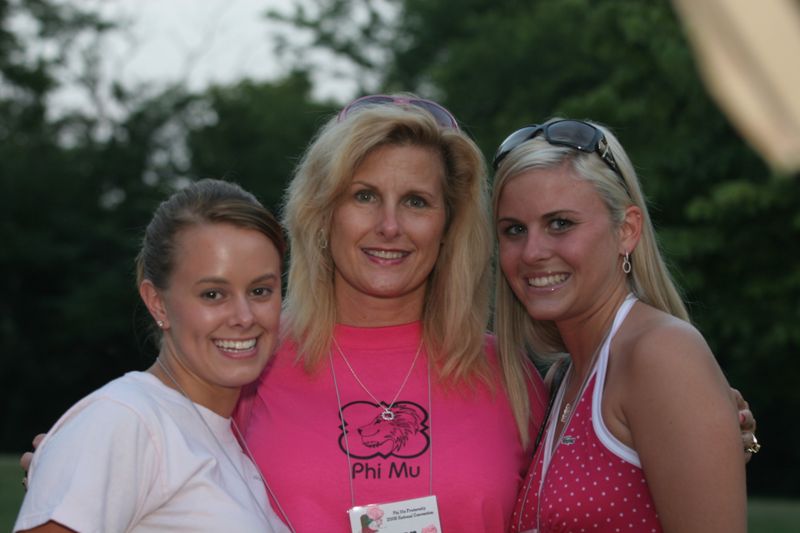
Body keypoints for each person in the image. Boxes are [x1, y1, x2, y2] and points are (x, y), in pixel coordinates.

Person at [232, 94, 550, 532]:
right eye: (364, 196)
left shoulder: (511, 376)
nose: (389, 226)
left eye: (416, 201)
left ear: (448, 229)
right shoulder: (250, 366)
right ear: (323, 215)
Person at [490, 119, 748, 532]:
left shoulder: (660, 354)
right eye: (514, 230)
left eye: (560, 224)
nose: (532, 252)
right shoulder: (563, 377)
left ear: (626, 230)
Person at [14, 179, 291, 533]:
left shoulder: (221, 440)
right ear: (157, 301)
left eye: (259, 290)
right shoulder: (125, 419)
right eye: (212, 294)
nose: (244, 316)